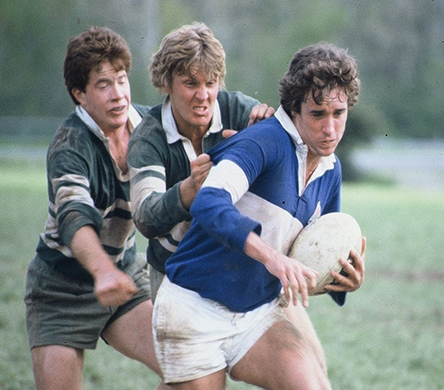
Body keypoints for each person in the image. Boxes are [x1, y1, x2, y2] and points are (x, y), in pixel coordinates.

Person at [153, 42, 366, 389]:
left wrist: (342, 280)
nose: (330, 129)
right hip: (193, 310)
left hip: (256, 315)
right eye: (317, 114)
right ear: (294, 110)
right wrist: (272, 259)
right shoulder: (262, 142)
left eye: (338, 113)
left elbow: (315, 255)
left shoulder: (331, 170)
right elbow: (208, 202)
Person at [23, 27, 169, 390]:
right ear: (80, 95)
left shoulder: (152, 127)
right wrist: (102, 270)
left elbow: (206, 117)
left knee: (190, 372)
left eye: (121, 80)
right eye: (103, 85)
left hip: (125, 278)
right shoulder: (69, 145)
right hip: (62, 290)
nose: (118, 94)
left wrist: (253, 118)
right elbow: (74, 214)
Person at [127, 22, 274, 302]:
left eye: (210, 83)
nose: (203, 95)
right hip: (175, 271)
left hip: (237, 265)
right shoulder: (148, 136)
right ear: (167, 83)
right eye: (191, 83)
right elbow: (145, 217)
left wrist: (264, 139)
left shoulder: (241, 112)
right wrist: (189, 191)